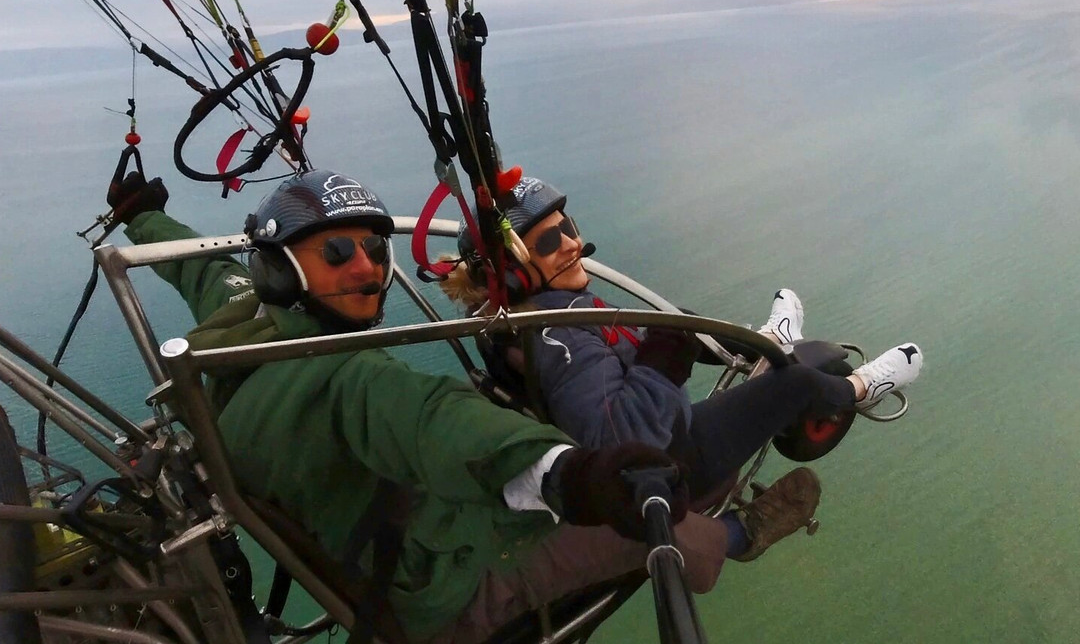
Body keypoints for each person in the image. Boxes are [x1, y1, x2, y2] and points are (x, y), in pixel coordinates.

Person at [108, 169, 739, 644]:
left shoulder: (243, 319)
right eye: (335, 252)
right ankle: (735, 535)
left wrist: (143, 217)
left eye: (374, 250)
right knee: (665, 519)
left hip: (378, 533)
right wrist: (572, 473)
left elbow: (200, 268)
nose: (366, 267)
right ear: (280, 266)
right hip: (445, 584)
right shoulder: (347, 377)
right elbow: (430, 416)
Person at [440, 176, 926, 559]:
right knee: (794, 382)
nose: (573, 243)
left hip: (655, 428)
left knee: (682, 323)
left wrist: (670, 339)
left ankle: (761, 346)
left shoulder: (537, 313)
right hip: (672, 463)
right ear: (512, 272)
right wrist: (665, 354)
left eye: (569, 228)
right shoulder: (555, 338)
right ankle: (864, 388)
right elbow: (625, 438)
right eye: (550, 242)